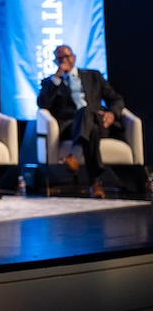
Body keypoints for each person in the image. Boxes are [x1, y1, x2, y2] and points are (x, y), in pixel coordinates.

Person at [36, 44, 124, 198]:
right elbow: (43, 104)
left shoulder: (93, 76)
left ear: (74, 58)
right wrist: (56, 78)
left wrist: (112, 113)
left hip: (100, 121)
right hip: (71, 126)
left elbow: (116, 98)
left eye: (67, 56)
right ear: (55, 61)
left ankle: (74, 156)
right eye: (60, 58)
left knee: (88, 115)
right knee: (91, 128)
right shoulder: (50, 82)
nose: (64, 60)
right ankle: (95, 184)